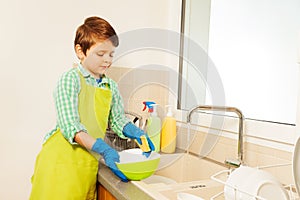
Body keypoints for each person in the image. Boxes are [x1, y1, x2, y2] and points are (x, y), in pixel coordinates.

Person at [30, 16, 154, 200]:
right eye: (100, 53)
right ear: (80, 51)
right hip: (60, 164)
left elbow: (118, 120)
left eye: (111, 54)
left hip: (87, 164)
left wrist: (135, 132)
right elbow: (71, 126)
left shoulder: (110, 86)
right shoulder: (70, 80)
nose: (107, 60)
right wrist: (104, 149)